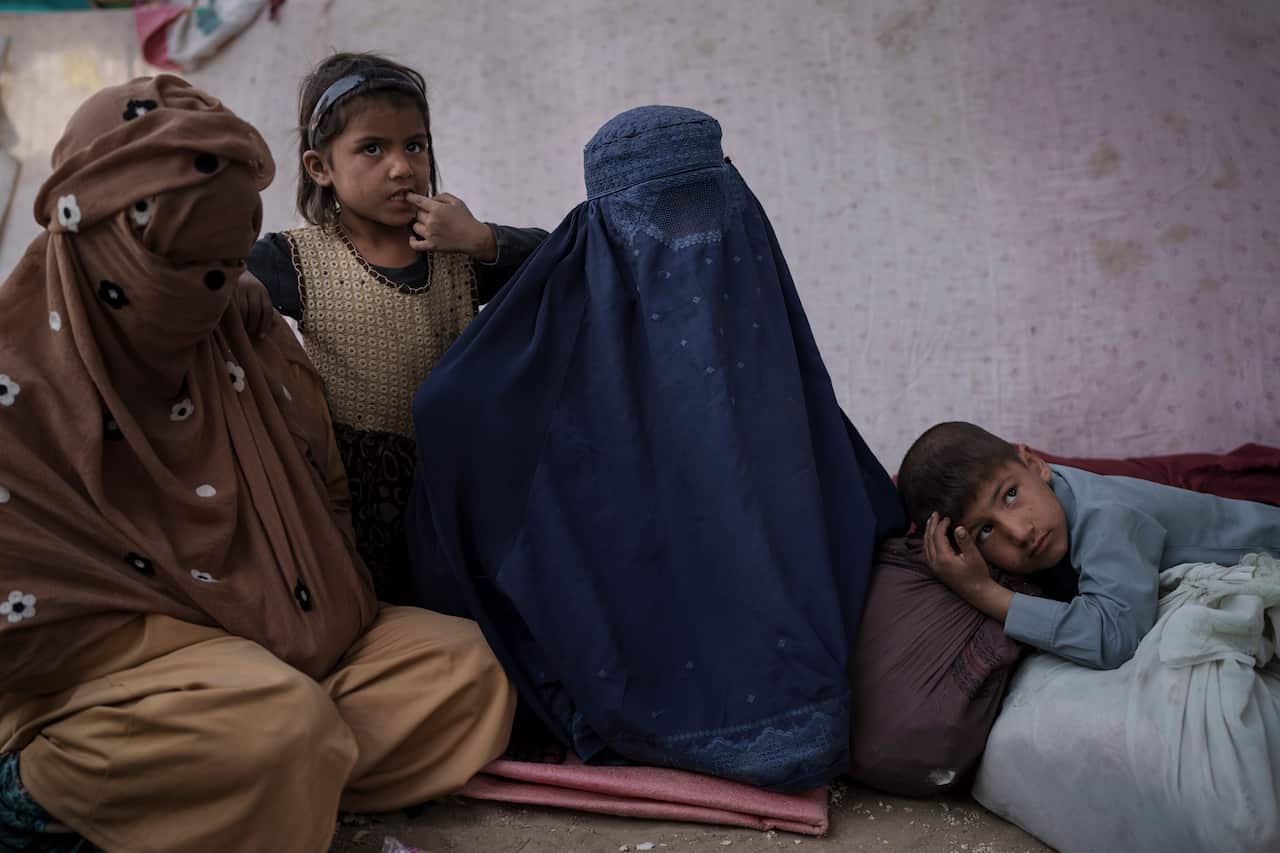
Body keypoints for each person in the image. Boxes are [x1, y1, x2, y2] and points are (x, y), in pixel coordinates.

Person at [0, 75, 514, 853]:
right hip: (121, 672)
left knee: (467, 667)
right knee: (271, 725)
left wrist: (281, 618)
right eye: (177, 265)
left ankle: (248, 783)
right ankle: (35, 800)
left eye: (221, 264)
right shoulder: (22, 379)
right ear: (99, 238)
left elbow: (322, 493)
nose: (204, 294)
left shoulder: (240, 321)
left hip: (288, 634)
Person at [405, 105, 907, 791]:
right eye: (657, 218)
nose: (686, 242)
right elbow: (455, 416)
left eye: (700, 206)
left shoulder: (746, 300)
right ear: (604, 231)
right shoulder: (582, 337)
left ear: (731, 197)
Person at [241, 51, 548, 604]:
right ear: (320, 168)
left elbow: (562, 265)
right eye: (372, 149)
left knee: (467, 613)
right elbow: (208, 284)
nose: (402, 167)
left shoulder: (455, 246)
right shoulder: (296, 260)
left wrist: (481, 239)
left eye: (415, 144)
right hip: (357, 497)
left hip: (457, 481)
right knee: (380, 616)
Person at [897, 421, 1280, 670]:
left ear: (1035, 465)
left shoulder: (1106, 517)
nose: (1018, 531)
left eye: (1010, 494)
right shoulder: (1049, 514)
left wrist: (982, 591)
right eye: (984, 531)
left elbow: (1115, 640)